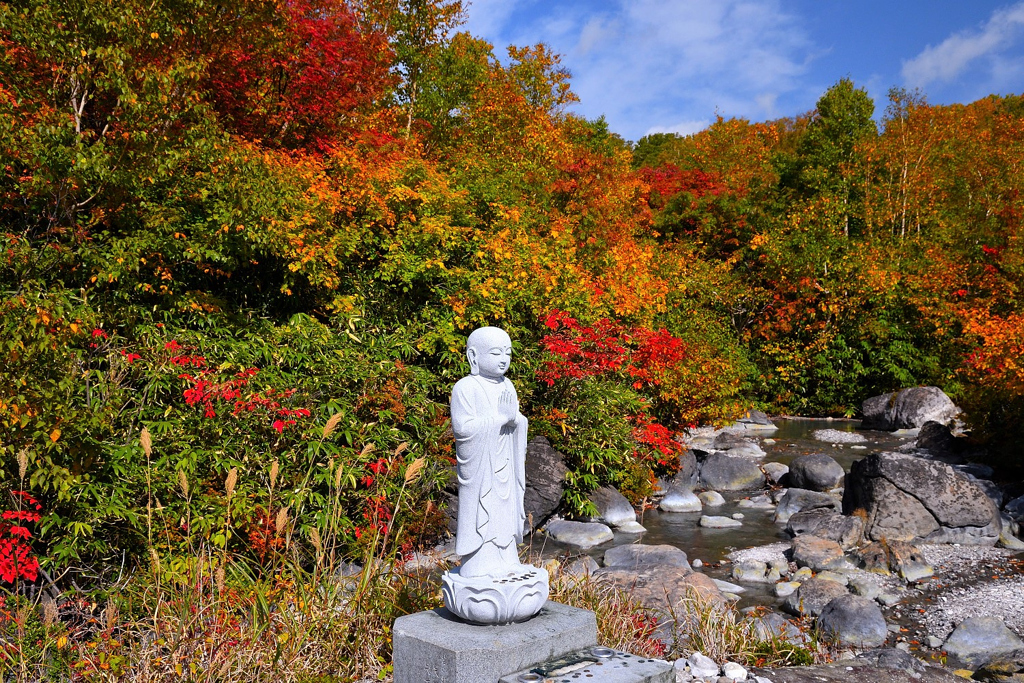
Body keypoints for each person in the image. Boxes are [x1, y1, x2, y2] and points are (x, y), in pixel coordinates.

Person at [450, 326, 529, 578]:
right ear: (473, 357)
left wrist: (516, 421)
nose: (504, 359)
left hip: (505, 460)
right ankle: (479, 563)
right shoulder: (465, 387)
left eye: (508, 353)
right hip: (481, 469)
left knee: (505, 509)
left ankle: (507, 559)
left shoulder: (508, 385)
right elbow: (463, 429)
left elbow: (517, 421)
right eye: (496, 353)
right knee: (483, 511)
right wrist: (498, 419)